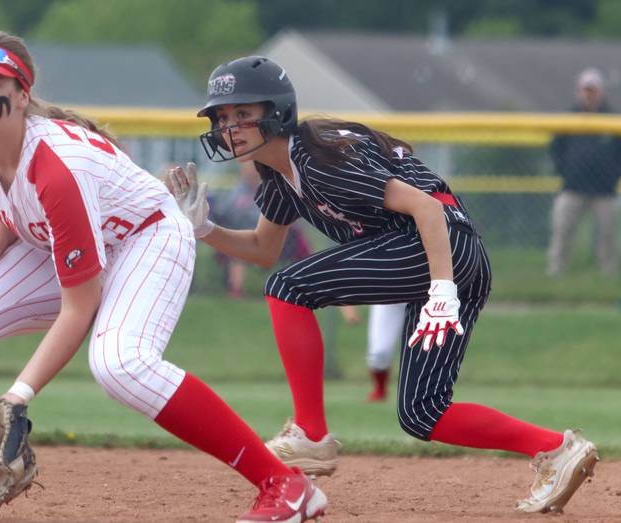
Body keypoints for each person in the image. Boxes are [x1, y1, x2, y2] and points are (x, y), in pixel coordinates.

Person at [0, 34, 326, 523]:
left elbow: (78, 308)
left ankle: (285, 483)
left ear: (22, 94)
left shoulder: (59, 167)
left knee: (120, 364)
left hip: (145, 235)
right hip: (72, 240)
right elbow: (8, 191)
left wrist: (18, 396)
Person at [168, 55, 599, 514]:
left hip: (438, 244)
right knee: (423, 412)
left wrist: (441, 291)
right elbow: (262, 248)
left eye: (242, 114)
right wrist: (205, 229)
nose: (229, 126)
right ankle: (556, 448)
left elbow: (428, 209)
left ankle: (310, 433)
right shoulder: (279, 175)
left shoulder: (319, 157)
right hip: (448, 254)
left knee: (289, 287)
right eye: (223, 117)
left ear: (277, 112)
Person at [548, 67, 621, 276]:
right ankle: (557, 272)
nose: (589, 94)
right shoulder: (569, 118)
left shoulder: (612, 119)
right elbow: (556, 149)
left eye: (593, 89)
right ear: (579, 91)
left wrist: (613, 174)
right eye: (585, 89)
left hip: (604, 190)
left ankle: (608, 274)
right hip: (572, 187)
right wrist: (566, 171)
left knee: (607, 235)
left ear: (600, 91)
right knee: (562, 230)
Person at [213, 161, 311, 298]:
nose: (249, 174)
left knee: (298, 236)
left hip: (276, 237)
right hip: (245, 233)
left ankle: (306, 284)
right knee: (238, 253)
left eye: (252, 170)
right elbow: (226, 211)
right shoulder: (238, 190)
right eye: (246, 171)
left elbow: (273, 214)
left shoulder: (269, 187)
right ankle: (236, 291)